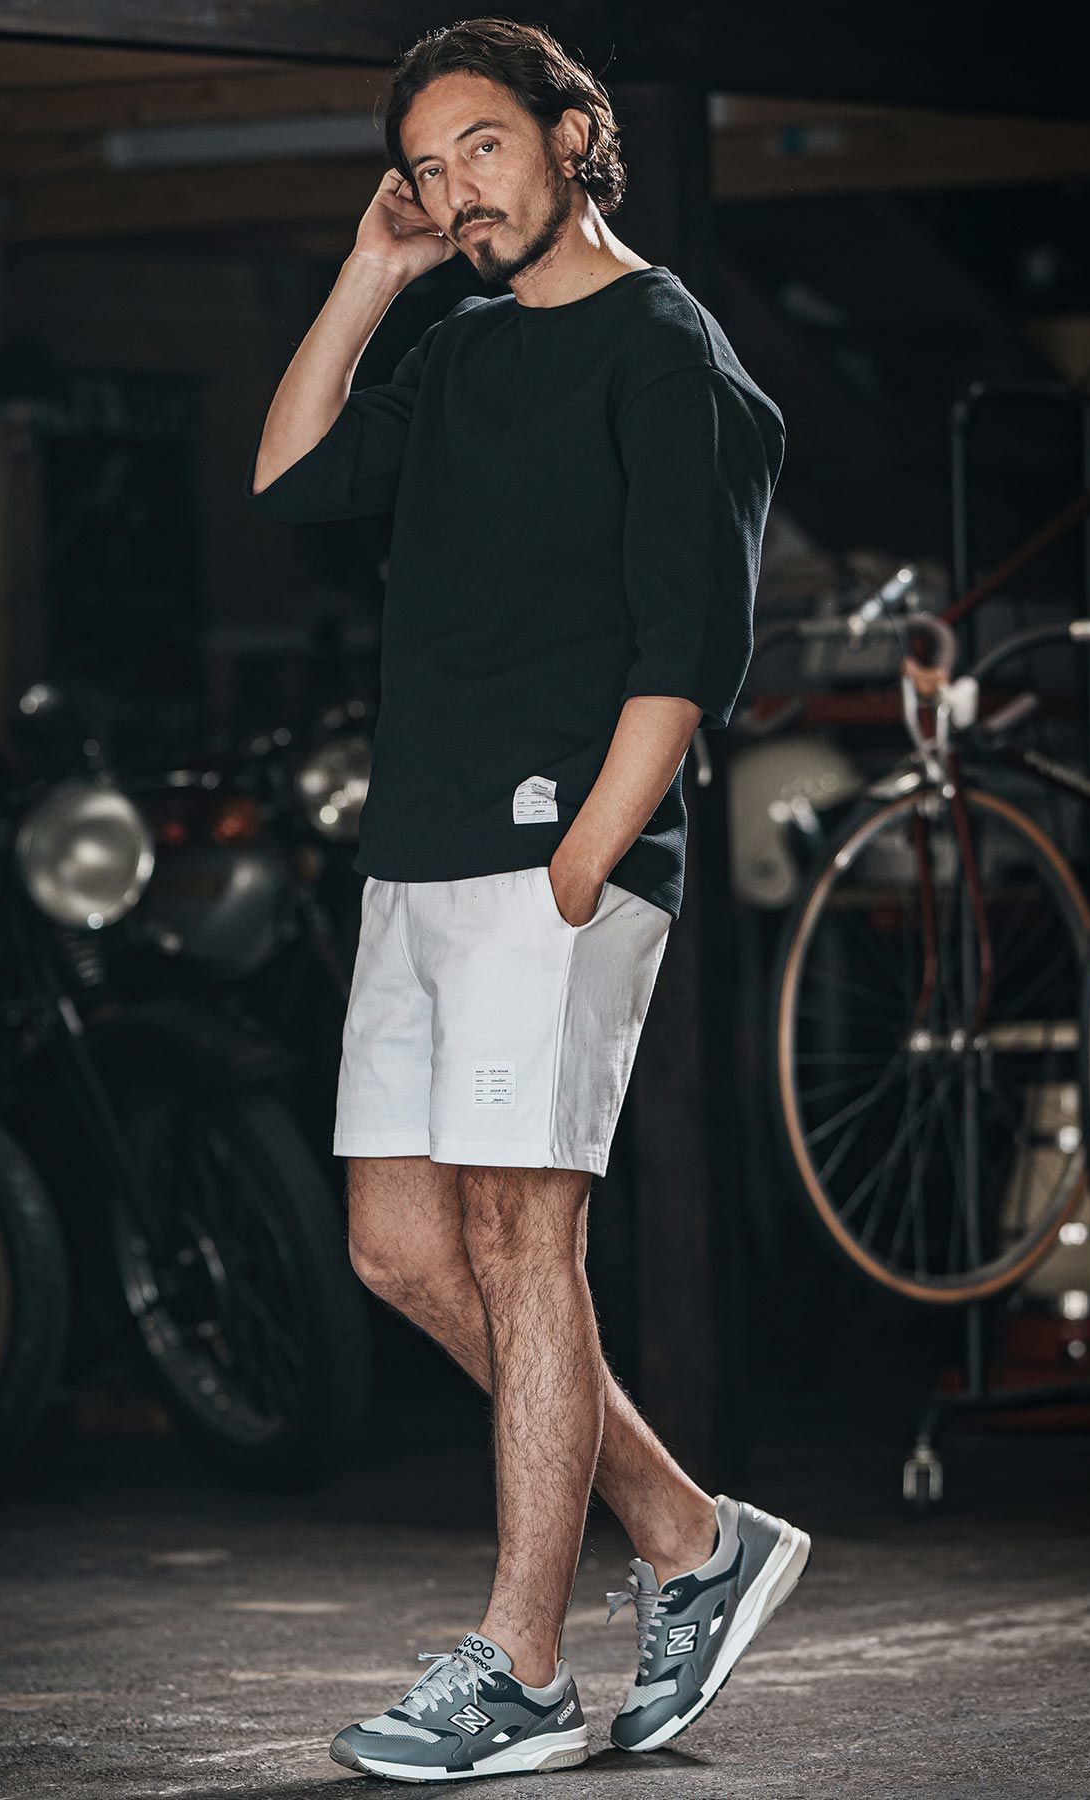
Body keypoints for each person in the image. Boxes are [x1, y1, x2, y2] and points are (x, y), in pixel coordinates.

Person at [245, 17, 810, 1783]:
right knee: (399, 1250)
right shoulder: (467, 348)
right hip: (415, 858)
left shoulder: (668, 350)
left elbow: (689, 648)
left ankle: (524, 1670)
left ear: (574, 135)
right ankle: (695, 1539)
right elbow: (289, 478)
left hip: (553, 861)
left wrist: (584, 863)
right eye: (427, 167)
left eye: (482, 146)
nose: (455, 189)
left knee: (518, 1240)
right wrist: (371, 272)